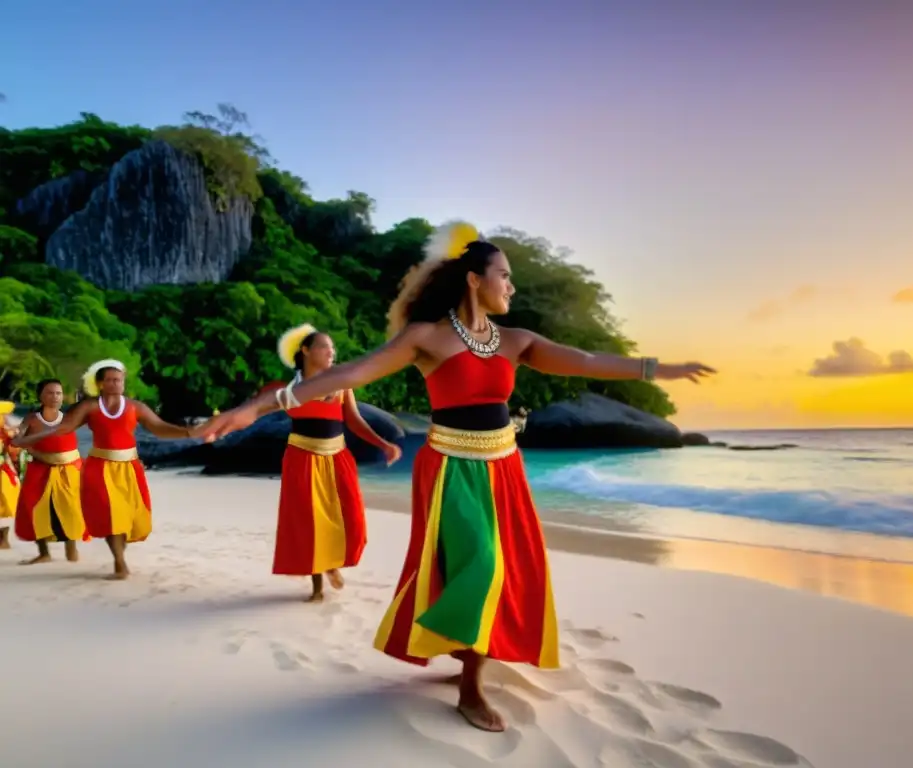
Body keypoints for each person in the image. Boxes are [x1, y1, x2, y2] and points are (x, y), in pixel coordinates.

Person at [196, 221, 716, 732]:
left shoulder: (515, 340)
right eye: (504, 275)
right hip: (449, 467)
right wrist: (256, 409)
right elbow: (346, 375)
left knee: (499, 570)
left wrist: (654, 369)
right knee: (480, 566)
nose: (511, 286)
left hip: (504, 468)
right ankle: (470, 687)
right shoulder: (426, 338)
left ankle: (470, 660)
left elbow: (582, 360)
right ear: (474, 278)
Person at [14, 360, 195, 579]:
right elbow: (64, 428)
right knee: (111, 516)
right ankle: (120, 564)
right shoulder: (89, 407)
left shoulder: (135, 407)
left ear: (123, 382)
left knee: (128, 519)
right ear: (100, 383)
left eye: (118, 379)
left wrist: (187, 433)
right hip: (100, 468)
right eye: (109, 379)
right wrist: (29, 439)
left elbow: (159, 428)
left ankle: (117, 557)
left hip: (130, 469)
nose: (114, 383)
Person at [269, 324, 402, 602]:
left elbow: (354, 421)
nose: (331, 351)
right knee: (310, 523)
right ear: (305, 351)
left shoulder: (341, 384)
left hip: (337, 457)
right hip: (302, 459)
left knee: (350, 518)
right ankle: (317, 586)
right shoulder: (292, 390)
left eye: (333, 347)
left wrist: (383, 444)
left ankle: (333, 564)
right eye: (324, 347)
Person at [14, 379, 90, 565]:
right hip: (40, 470)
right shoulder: (32, 419)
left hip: (69, 470)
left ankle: (71, 550)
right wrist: (22, 442)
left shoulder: (70, 417)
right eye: (50, 393)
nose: (55, 397)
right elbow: (17, 440)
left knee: (70, 509)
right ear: (41, 395)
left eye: (58, 393)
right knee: (34, 508)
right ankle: (44, 553)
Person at [0, 402, 20, 549]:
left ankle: (3, 539)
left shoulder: (6, 434)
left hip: (3, 472)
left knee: (5, 504)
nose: (4, 418)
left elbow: (13, 452)